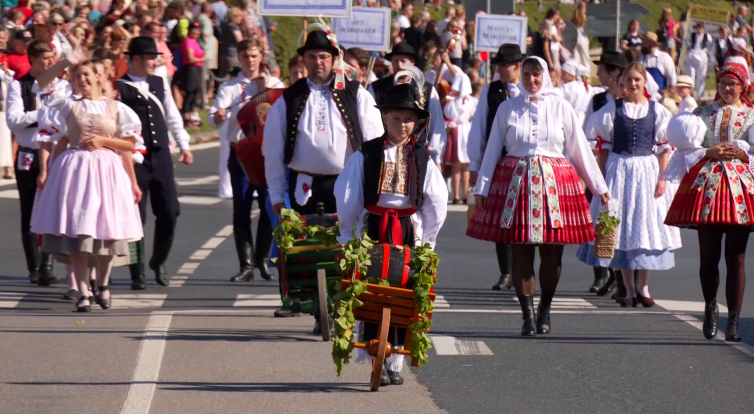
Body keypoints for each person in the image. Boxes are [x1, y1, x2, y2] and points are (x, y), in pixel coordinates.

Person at [468, 56, 609, 336]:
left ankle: (545, 309)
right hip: (516, 183)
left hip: (554, 184)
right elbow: (494, 148)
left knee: (552, 252)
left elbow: (579, 148)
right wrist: (481, 187)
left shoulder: (561, 107)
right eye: (527, 74)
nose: (532, 80)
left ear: (545, 75)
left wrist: (599, 186)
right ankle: (527, 315)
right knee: (521, 249)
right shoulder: (508, 108)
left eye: (536, 74)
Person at [262, 29, 384, 329]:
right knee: (312, 249)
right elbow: (273, 151)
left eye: (324, 56)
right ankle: (320, 308)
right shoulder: (289, 99)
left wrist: (373, 185)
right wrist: (277, 197)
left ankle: (344, 305)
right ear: (303, 59)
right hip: (304, 184)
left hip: (347, 182)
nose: (319, 62)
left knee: (348, 246)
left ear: (334, 59)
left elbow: (374, 140)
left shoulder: (356, 93)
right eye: (313, 56)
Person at [335, 83, 448, 386]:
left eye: (408, 120)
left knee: (405, 293)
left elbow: (436, 199)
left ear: (417, 122)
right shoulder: (368, 153)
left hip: (407, 231)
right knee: (373, 292)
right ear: (385, 118)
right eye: (396, 118)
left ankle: (396, 358)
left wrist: (428, 241)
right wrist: (349, 235)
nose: (402, 125)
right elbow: (348, 195)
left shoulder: (422, 157)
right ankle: (375, 354)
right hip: (373, 228)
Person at [31, 59, 143, 312]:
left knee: (106, 229)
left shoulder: (117, 108)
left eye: (86, 75)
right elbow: (41, 83)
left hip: (107, 171)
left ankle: (102, 284)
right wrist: (63, 61)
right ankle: (83, 291)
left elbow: (130, 145)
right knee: (78, 230)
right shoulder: (68, 104)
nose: (82, 79)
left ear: (99, 77)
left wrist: (105, 141)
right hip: (76, 171)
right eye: (77, 76)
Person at [664, 58, 754, 342]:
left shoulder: (752, 116)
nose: (728, 88)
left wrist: (742, 155)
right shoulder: (701, 113)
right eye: (724, 83)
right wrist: (709, 152)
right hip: (707, 190)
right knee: (708, 257)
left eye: (733, 84)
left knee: (736, 257)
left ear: (743, 86)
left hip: (740, 190)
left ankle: (734, 322)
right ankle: (711, 307)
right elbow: (686, 148)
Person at [578, 63, 679, 308]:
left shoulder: (657, 110)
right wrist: (599, 182)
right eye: (628, 80)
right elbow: (602, 148)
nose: (633, 84)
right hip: (618, 170)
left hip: (646, 171)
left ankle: (644, 286)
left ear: (644, 82)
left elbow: (665, 148)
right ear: (622, 83)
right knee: (618, 227)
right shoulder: (612, 109)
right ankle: (629, 289)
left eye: (637, 79)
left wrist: (663, 178)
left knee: (644, 225)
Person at [116, 36, 193, 290]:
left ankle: (158, 261)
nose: (154, 62)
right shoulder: (119, 88)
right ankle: (136, 273)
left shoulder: (160, 82)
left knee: (170, 211)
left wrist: (184, 145)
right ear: (136, 59)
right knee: (135, 218)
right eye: (150, 57)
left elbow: (172, 116)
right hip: (134, 157)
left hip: (160, 155)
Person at [210, 38, 281, 283]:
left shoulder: (273, 84)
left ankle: (262, 259)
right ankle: (246, 264)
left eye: (254, 56)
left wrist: (265, 88)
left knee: (268, 207)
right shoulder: (230, 88)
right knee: (241, 208)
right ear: (239, 59)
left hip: (265, 154)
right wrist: (219, 116)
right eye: (245, 57)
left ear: (260, 56)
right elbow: (215, 117)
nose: (250, 60)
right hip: (240, 151)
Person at [467, 43, 524, 291]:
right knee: (503, 217)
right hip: (498, 161)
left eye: (504, 65)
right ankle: (506, 272)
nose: (499, 69)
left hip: (523, 162)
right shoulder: (491, 91)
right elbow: (479, 127)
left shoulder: (529, 90)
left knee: (523, 217)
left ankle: (523, 270)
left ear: (517, 66)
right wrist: (474, 164)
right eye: (498, 65)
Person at [6, 40, 59, 285]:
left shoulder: (61, 86)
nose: (51, 63)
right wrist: (42, 115)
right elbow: (14, 120)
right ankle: (33, 267)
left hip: (55, 154)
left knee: (52, 210)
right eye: (46, 58)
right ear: (34, 60)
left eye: (53, 57)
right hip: (29, 152)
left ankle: (47, 265)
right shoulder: (20, 85)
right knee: (29, 210)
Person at [369, 42, 446, 168]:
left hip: (417, 156)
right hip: (383, 154)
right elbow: (369, 123)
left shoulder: (427, 90)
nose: (399, 65)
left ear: (412, 63)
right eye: (395, 61)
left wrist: (436, 158)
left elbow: (436, 126)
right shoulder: (377, 88)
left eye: (403, 61)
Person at [180, 22, 205, 128]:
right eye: (194, 30)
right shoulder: (188, 42)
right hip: (190, 69)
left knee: (195, 93)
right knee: (189, 93)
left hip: (197, 69)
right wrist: (202, 59)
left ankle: (192, 115)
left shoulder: (195, 42)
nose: (196, 32)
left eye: (198, 30)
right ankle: (186, 117)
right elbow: (190, 58)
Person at [559, 60, 593, 127]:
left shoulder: (567, 87)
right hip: (586, 121)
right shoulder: (587, 87)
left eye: (564, 74)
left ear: (571, 74)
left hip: (571, 121)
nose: (562, 77)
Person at [685, 22, 713, 100]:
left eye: (700, 28)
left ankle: (700, 95)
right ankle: (690, 94)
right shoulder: (692, 35)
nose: (699, 30)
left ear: (703, 29)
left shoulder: (707, 36)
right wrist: (688, 47)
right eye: (698, 28)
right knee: (690, 75)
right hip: (693, 53)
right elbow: (685, 40)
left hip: (702, 55)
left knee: (701, 76)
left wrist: (707, 50)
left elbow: (711, 44)